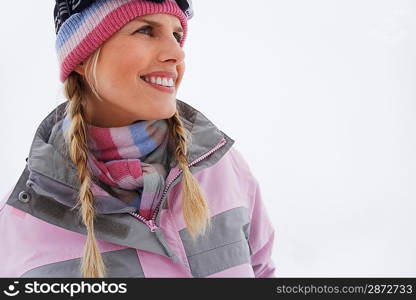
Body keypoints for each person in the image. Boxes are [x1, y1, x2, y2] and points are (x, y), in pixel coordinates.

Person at [0, 0, 276, 278]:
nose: (176, 53)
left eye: (177, 35)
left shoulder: (222, 169)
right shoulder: (19, 226)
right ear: (83, 57)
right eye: (145, 30)